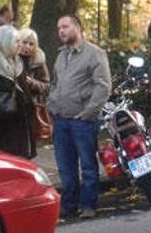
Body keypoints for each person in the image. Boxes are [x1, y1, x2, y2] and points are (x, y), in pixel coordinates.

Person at [47, 15, 111, 220]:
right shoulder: (61, 55)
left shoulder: (94, 53)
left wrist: (89, 113)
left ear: (77, 27)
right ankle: (69, 204)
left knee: (88, 165)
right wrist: (51, 105)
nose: (61, 31)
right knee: (65, 167)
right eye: (59, 28)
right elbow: (55, 83)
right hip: (61, 119)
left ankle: (88, 204)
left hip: (82, 120)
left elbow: (103, 86)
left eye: (65, 26)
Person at [0, 25, 36, 159]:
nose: (20, 45)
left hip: (19, 123)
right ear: (5, 41)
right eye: (17, 41)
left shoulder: (19, 61)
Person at [17, 27, 51, 158]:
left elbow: (46, 86)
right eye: (24, 42)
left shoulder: (38, 61)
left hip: (30, 108)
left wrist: (32, 83)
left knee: (28, 147)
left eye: (31, 44)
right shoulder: (10, 58)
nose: (27, 47)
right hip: (13, 107)